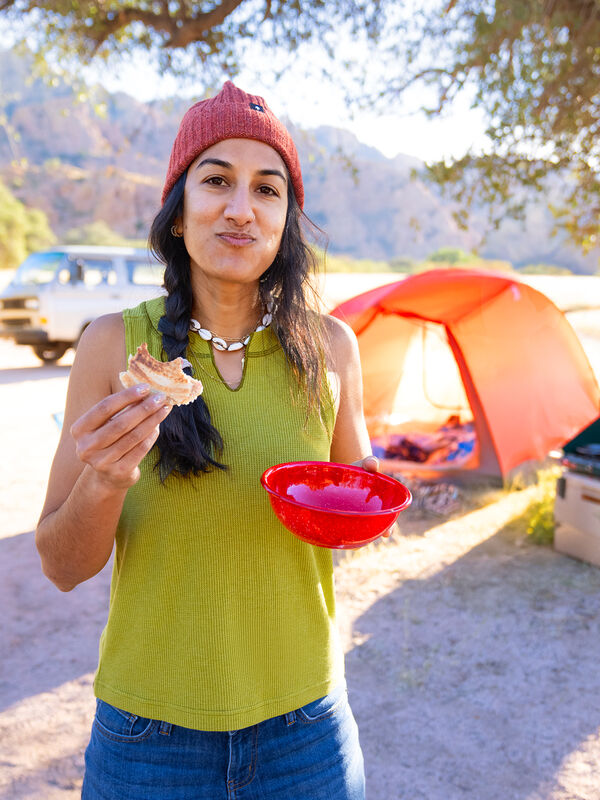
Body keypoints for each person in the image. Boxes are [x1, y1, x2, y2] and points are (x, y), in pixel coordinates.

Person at [36, 81, 383, 800]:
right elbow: (64, 566)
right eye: (216, 179)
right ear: (178, 206)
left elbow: (358, 496)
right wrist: (104, 478)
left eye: (267, 188)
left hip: (306, 731)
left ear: (287, 218)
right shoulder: (113, 346)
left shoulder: (332, 348)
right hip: (147, 740)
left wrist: (373, 497)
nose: (240, 207)